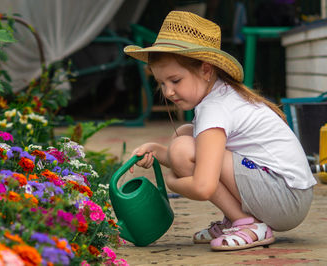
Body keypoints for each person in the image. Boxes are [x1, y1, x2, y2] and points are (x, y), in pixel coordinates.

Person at [123, 11, 316, 251]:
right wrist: (156, 151)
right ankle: (241, 219)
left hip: (285, 198)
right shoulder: (221, 96)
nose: (168, 92)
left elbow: (202, 186)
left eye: (175, 80)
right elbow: (195, 158)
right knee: (185, 134)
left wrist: (172, 181)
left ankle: (248, 223)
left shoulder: (214, 109)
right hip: (287, 193)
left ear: (206, 70)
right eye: (162, 83)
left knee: (183, 147)